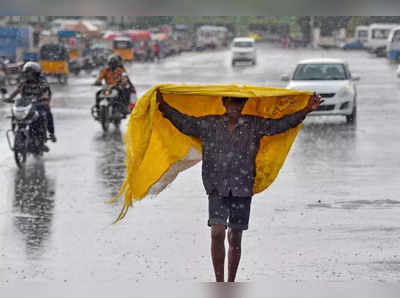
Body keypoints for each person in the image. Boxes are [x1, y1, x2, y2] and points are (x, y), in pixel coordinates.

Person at [156, 89, 323, 282]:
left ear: (243, 105)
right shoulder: (210, 124)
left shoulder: (254, 124)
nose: (234, 107)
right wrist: (163, 106)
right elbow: (185, 123)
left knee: (235, 237)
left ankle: (231, 283)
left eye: (238, 103)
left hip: (242, 187)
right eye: (231, 102)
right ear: (224, 103)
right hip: (216, 186)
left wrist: (305, 110)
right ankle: (219, 282)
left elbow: (280, 125)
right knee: (217, 233)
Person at [4, 62, 57, 149]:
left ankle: (49, 134)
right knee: (14, 115)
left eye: (30, 73)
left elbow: (46, 92)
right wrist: (9, 98)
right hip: (26, 104)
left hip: (39, 103)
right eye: (27, 73)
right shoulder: (24, 82)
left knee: (45, 114)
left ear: (36, 73)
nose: (28, 75)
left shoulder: (42, 81)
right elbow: (17, 90)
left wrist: (44, 98)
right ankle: (16, 133)